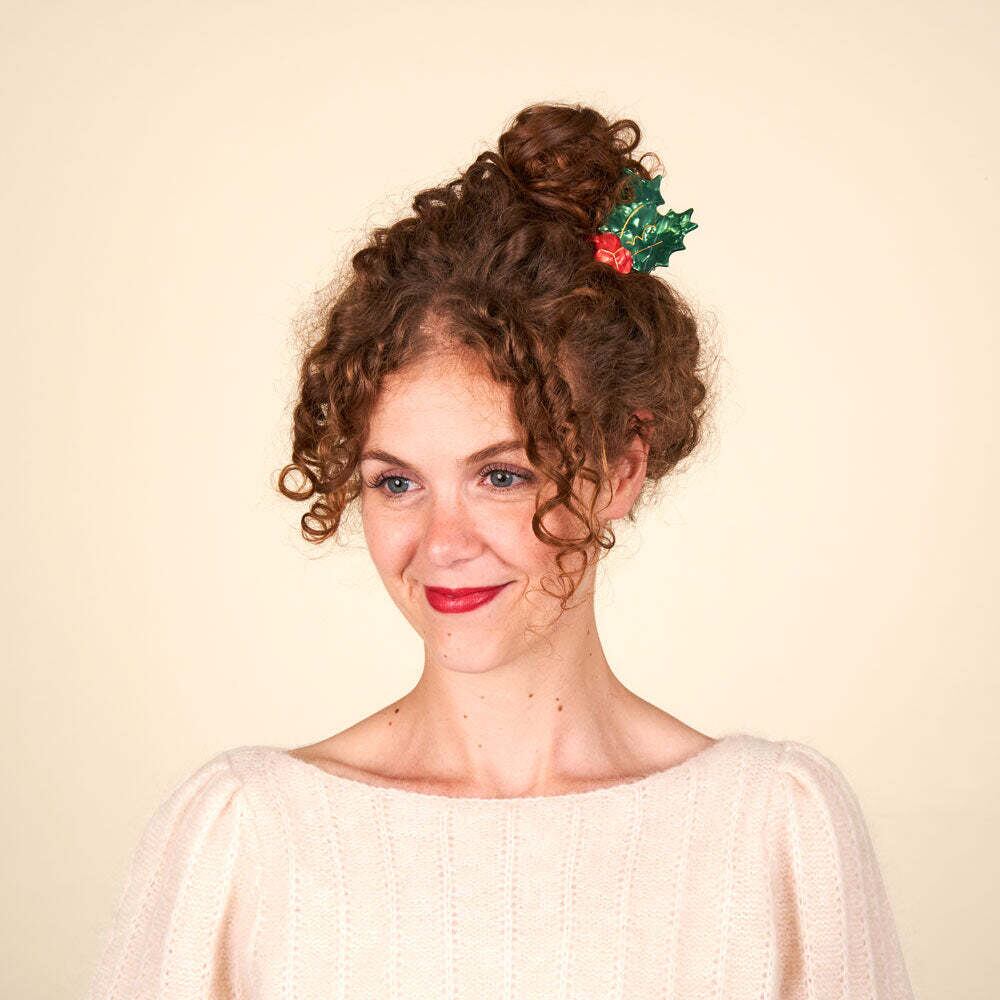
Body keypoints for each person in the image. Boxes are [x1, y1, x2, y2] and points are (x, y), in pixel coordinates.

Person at [84, 102, 916, 999]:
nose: (443, 544)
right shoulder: (247, 838)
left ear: (622, 466)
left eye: (501, 476)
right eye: (396, 483)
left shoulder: (774, 832)